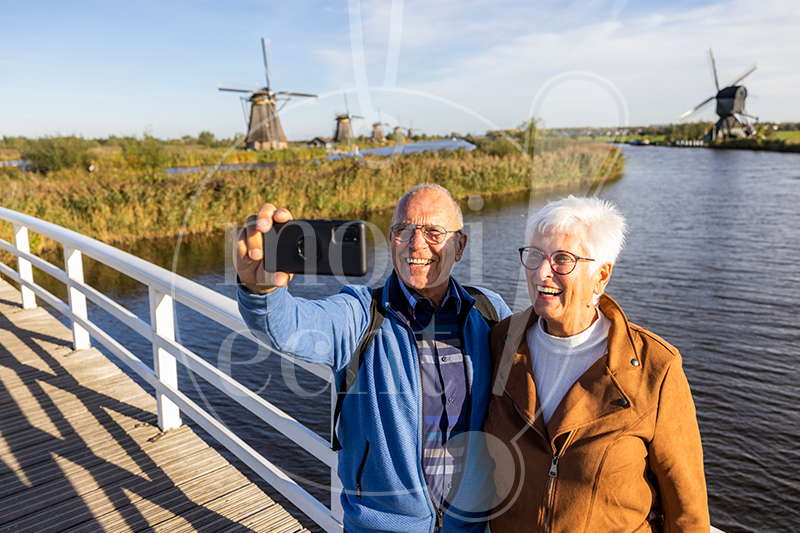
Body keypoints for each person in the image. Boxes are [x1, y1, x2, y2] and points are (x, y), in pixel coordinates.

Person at [235, 184, 511, 533]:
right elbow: (288, 327)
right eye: (403, 230)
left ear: (460, 245)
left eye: (433, 232)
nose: (416, 244)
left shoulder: (489, 313)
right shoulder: (361, 315)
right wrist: (261, 289)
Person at [484, 195, 710, 532]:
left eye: (563, 259)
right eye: (534, 255)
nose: (542, 272)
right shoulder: (502, 341)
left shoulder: (655, 369)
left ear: (601, 275)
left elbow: (687, 514)